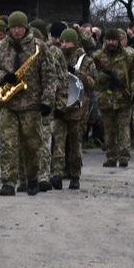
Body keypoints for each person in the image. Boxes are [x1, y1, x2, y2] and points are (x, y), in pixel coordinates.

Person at [0, 12, 63, 197]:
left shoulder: (39, 47)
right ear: (8, 28)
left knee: (32, 145)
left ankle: (32, 178)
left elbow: (50, 76)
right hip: (6, 105)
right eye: (13, 27)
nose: (17, 31)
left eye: (20, 27)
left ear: (26, 27)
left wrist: (47, 101)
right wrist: (3, 76)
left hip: (31, 104)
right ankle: (8, 183)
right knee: (8, 145)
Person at [52, 27, 93, 189]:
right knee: (58, 144)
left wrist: (77, 72)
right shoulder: (56, 58)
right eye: (62, 41)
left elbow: (92, 84)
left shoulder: (86, 61)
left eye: (67, 41)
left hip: (77, 110)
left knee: (75, 145)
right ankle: (57, 173)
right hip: (61, 108)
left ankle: (75, 174)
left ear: (75, 42)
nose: (64, 45)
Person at [91, 29, 134, 168]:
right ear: (104, 41)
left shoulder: (128, 55)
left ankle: (123, 156)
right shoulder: (97, 56)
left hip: (123, 98)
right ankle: (111, 156)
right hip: (105, 98)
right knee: (108, 129)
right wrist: (99, 78)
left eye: (114, 40)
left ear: (118, 41)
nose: (111, 43)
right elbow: (91, 75)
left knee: (123, 129)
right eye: (108, 40)